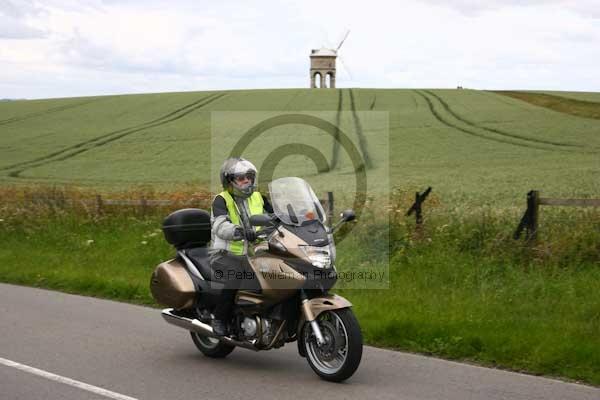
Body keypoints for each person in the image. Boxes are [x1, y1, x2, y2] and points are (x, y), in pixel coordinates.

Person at [209, 157, 273, 336]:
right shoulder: (221, 200)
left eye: (249, 176)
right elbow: (220, 225)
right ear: (229, 181)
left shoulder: (259, 197)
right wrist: (240, 231)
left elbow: (277, 215)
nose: (246, 180)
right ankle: (219, 318)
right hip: (226, 254)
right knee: (236, 274)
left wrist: (299, 218)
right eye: (240, 178)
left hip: (255, 252)